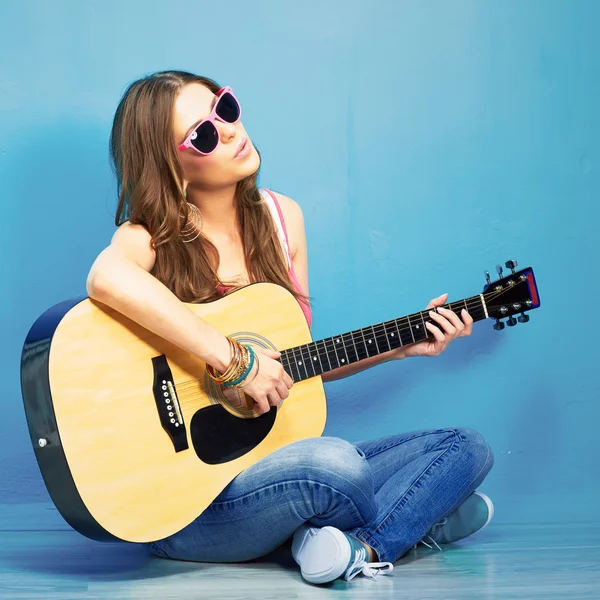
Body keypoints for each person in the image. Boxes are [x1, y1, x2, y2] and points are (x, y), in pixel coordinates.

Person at [86, 70, 494, 585]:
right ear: (172, 166)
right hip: (186, 506)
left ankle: (358, 547)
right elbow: (105, 277)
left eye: (225, 108)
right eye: (204, 134)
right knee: (336, 465)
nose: (231, 131)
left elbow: (296, 367)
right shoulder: (151, 237)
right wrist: (233, 363)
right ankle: (409, 524)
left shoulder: (282, 220)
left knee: (465, 447)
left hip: (277, 467)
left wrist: (399, 349)